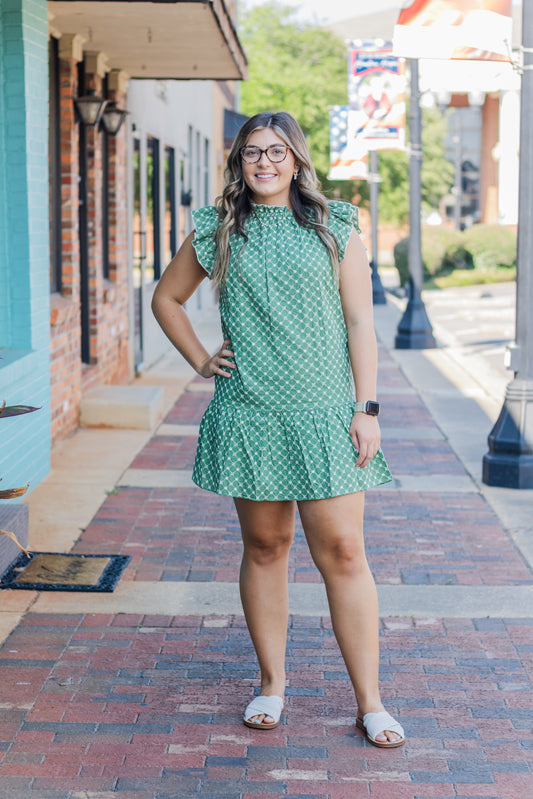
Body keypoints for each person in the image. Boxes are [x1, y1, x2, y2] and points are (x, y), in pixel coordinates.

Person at [152, 111, 405, 748]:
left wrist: (366, 408)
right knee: (266, 548)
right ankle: (271, 683)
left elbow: (358, 325)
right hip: (252, 414)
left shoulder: (334, 225)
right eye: (251, 153)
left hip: (326, 415)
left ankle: (371, 702)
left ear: (296, 159)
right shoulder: (217, 229)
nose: (263, 162)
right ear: (238, 163)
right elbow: (166, 299)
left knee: (345, 554)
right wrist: (201, 358)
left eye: (276, 151)